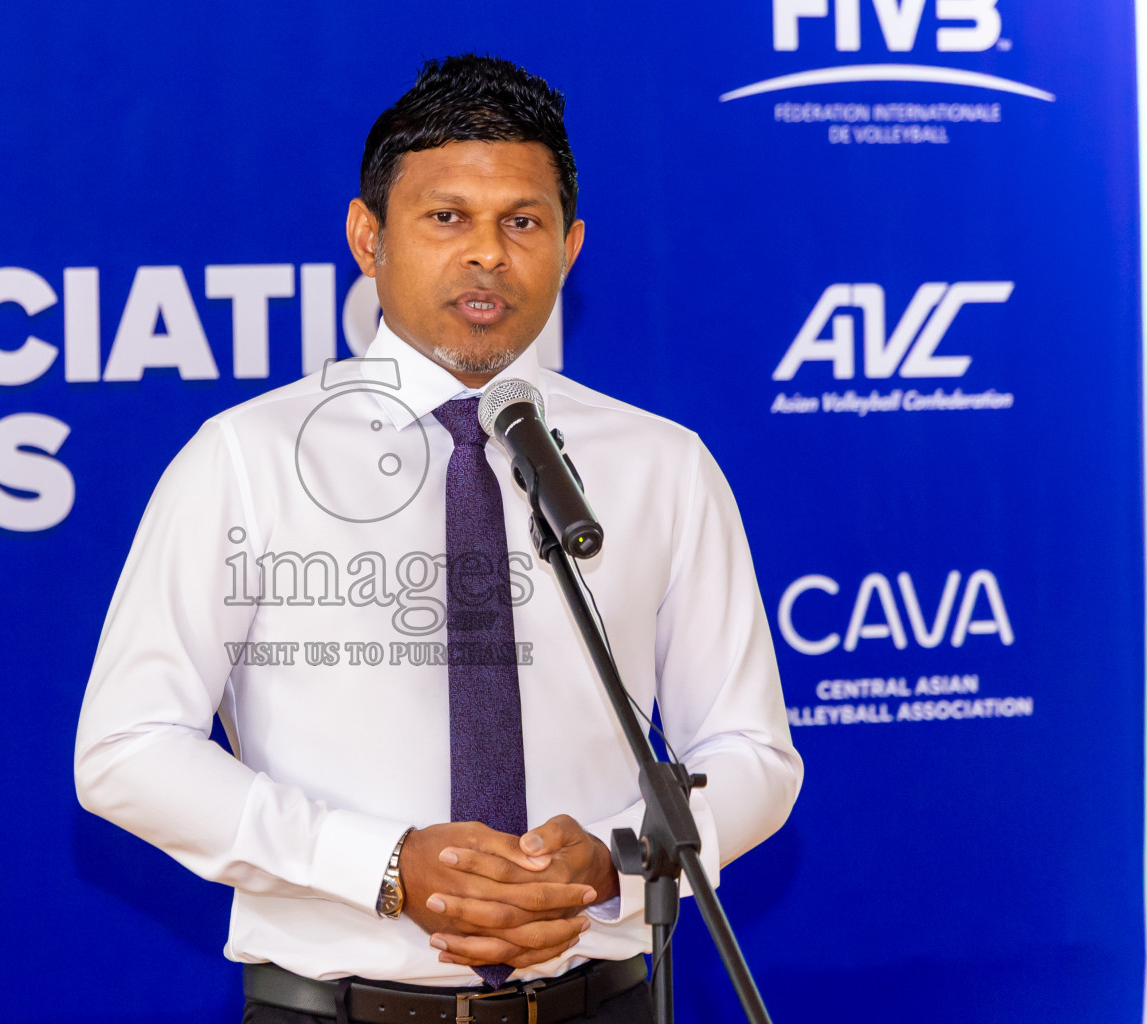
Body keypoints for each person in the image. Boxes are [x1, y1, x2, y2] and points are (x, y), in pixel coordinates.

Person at [75, 53, 803, 1024]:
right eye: (447, 216)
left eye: (523, 222)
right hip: (338, 1008)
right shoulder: (245, 458)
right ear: (367, 236)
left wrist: (615, 858)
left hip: (600, 1001)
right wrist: (382, 865)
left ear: (572, 246)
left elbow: (752, 751)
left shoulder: (661, 465)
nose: (489, 254)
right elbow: (127, 748)